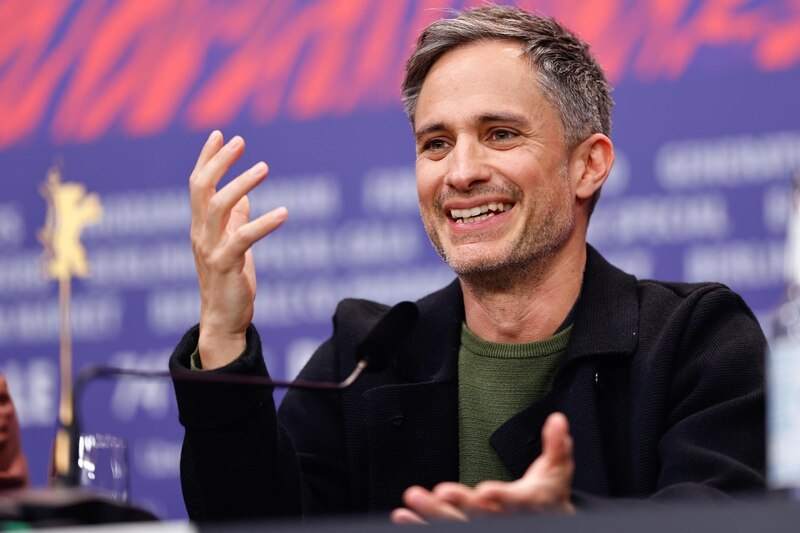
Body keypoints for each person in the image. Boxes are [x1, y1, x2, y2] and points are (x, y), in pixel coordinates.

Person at [170, 5, 765, 523]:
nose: (460, 173)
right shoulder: (368, 355)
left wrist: (568, 526)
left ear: (588, 165)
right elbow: (250, 525)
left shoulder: (695, 339)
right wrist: (224, 334)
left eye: (500, 134)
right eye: (436, 144)